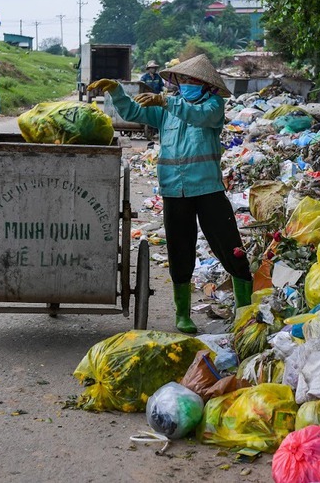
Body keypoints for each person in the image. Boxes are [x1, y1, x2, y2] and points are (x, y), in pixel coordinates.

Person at [88, 55, 251, 334]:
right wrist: (116, 91)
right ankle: (182, 314)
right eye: (182, 79)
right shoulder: (167, 109)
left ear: (204, 84)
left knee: (229, 246)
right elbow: (132, 113)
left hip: (208, 189)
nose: (185, 84)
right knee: (179, 250)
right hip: (174, 190)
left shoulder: (213, 106)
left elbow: (200, 117)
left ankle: (246, 310)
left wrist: (168, 102)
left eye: (190, 80)